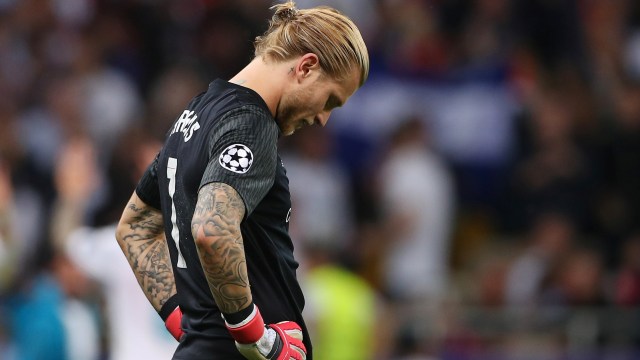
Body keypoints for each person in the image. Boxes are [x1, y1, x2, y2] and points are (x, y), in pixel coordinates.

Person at [114, 1, 369, 359]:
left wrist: (188, 325)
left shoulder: (196, 113)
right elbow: (212, 229)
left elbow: (135, 227)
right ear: (307, 67)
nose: (323, 119)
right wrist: (256, 338)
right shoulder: (253, 124)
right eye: (330, 100)